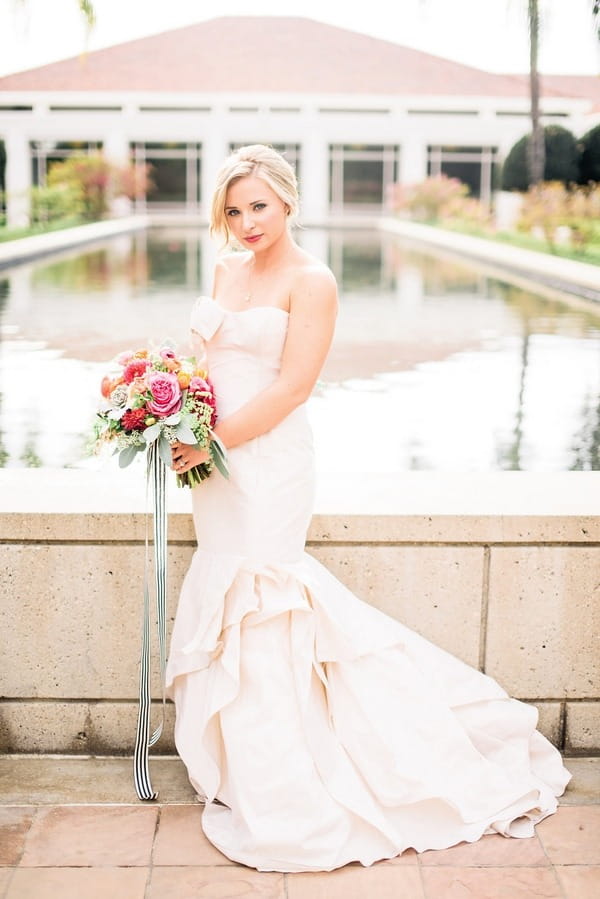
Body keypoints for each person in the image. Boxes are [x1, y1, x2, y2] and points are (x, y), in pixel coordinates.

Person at [166, 144, 570, 874]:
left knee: (266, 596)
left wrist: (213, 441)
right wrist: (169, 410)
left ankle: (289, 778)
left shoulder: (312, 280)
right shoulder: (226, 269)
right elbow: (204, 361)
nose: (246, 221)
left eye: (258, 205)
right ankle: (238, 765)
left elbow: (292, 387)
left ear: (287, 199)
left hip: (266, 463)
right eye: (233, 209)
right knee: (225, 585)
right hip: (214, 464)